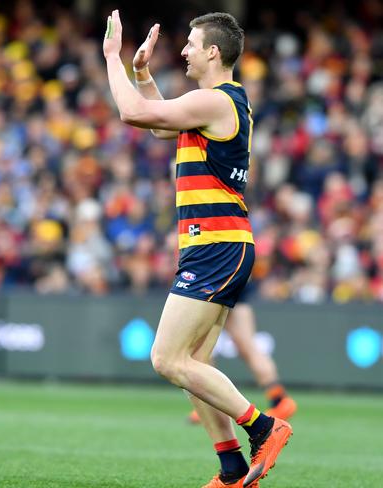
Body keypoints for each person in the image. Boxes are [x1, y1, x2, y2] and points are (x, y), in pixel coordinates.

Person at [103, 11, 291, 488]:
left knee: (167, 359)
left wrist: (112, 58)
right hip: (213, 245)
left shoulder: (215, 101)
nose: (182, 50)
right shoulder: (218, 104)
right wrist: (143, 75)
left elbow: (134, 114)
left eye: (190, 43)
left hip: (217, 246)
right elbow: (164, 127)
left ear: (213, 52)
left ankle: (264, 427)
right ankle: (230, 471)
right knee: (193, 367)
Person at [188, 284, 297, 425]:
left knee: (202, 346)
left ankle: (209, 407)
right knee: (247, 346)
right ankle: (279, 400)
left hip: (211, 281)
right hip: (235, 279)